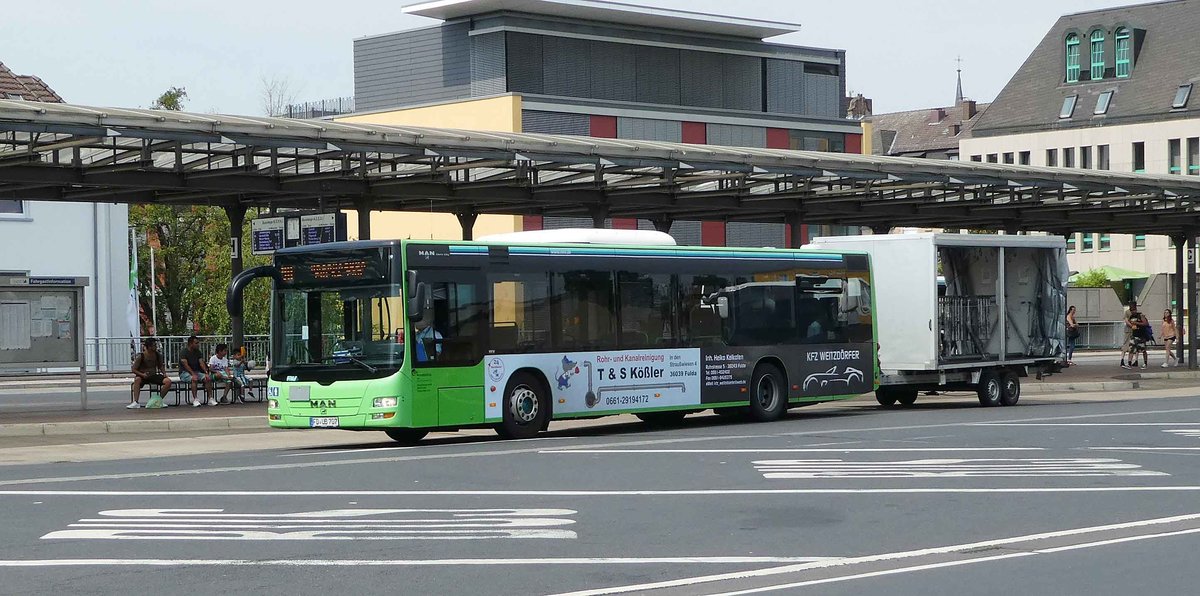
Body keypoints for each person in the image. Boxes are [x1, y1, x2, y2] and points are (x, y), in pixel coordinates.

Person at [130, 337, 172, 409]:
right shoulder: (141, 356)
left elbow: (160, 366)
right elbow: (133, 369)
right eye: (154, 345)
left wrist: (164, 373)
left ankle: (158, 400)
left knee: (168, 381)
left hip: (153, 375)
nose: (155, 347)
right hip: (143, 375)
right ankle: (136, 402)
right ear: (149, 347)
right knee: (137, 380)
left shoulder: (157, 355)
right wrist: (142, 374)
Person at [179, 335, 214, 407]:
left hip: (197, 372)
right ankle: (195, 399)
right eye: (196, 343)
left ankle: (210, 398)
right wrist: (192, 374)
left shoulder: (198, 352)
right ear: (190, 344)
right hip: (185, 372)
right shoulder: (183, 352)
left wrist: (206, 373)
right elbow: (185, 365)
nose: (198, 345)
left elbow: (201, 363)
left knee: (207, 378)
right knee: (194, 379)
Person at [1121, 302, 1143, 369]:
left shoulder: (1136, 313)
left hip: (1134, 331)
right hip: (1129, 330)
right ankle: (1122, 359)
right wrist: (1133, 326)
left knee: (1134, 345)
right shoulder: (1127, 312)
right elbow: (1126, 321)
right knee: (1126, 344)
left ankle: (1134, 360)